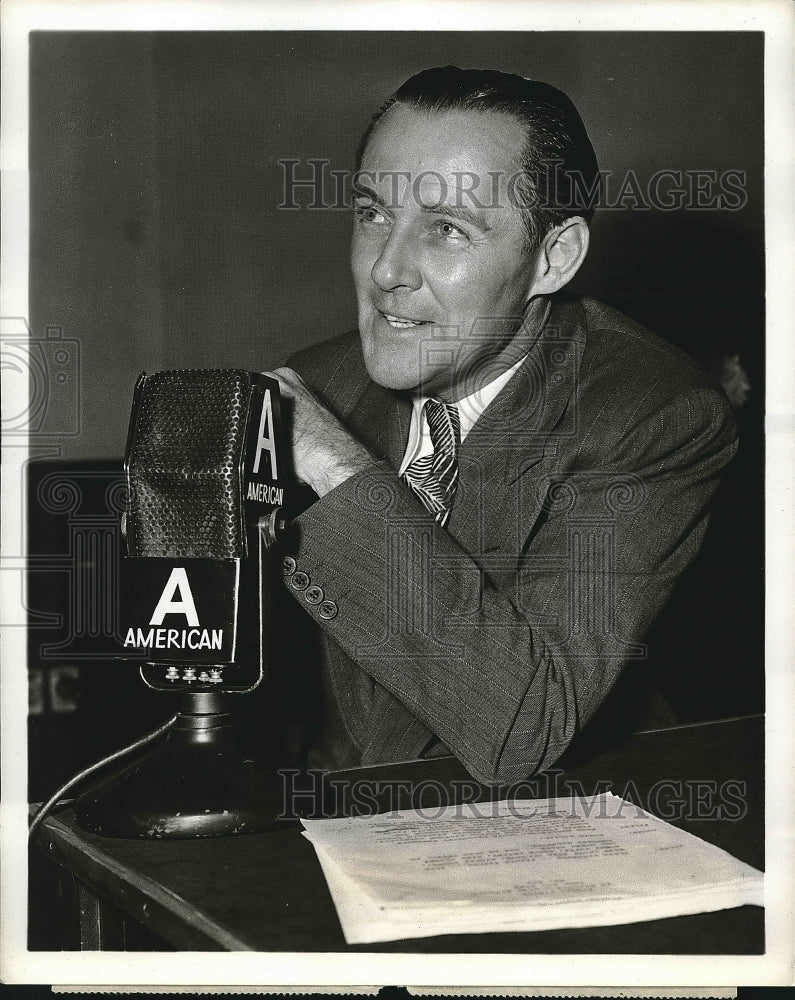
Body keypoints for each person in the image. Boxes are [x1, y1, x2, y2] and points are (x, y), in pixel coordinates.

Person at [265, 66, 737, 785]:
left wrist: (337, 471)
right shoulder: (318, 383)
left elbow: (519, 725)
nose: (387, 270)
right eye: (372, 214)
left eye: (446, 230)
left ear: (553, 257)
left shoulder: (650, 414)